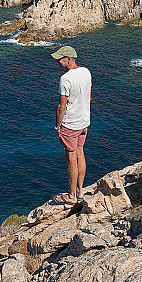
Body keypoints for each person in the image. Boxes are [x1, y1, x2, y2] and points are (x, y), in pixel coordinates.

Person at [51, 46, 91, 205]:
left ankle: (71, 196)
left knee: (71, 159)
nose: (57, 62)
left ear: (69, 59)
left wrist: (58, 126)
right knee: (80, 153)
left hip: (70, 124)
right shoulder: (86, 72)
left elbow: (61, 106)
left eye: (59, 59)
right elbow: (89, 97)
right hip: (84, 122)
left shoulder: (66, 79)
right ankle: (80, 191)